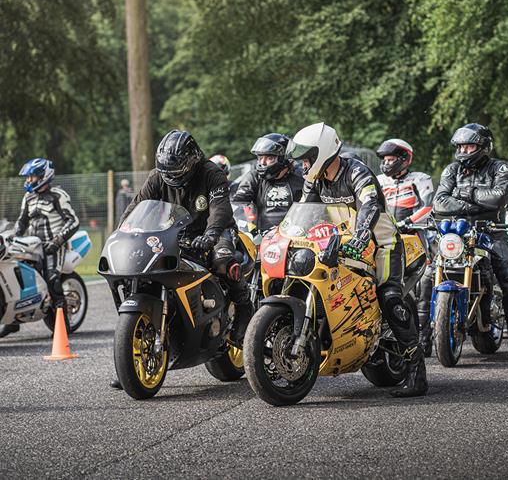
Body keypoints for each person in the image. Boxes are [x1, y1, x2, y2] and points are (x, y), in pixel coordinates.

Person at [288, 122, 427, 397]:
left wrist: (361, 235)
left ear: (322, 153)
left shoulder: (356, 171)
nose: (303, 165)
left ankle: (417, 374)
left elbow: (371, 204)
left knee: (389, 298)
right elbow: (304, 212)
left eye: (307, 159)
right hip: (342, 245)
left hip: (381, 244)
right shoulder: (314, 179)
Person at [111, 130, 252, 390]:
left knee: (223, 261)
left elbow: (220, 210)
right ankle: (128, 361)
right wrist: (122, 232)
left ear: (192, 160)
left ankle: (244, 309)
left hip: (216, 231)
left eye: (176, 170)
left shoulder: (211, 173)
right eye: (167, 170)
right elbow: (137, 205)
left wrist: (210, 235)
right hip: (174, 234)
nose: (171, 175)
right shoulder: (157, 177)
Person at [433, 123, 508, 360]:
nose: (465, 151)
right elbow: (439, 203)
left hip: (493, 232)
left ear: (484, 147)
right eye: (462, 146)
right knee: (428, 276)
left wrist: (463, 195)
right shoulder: (451, 170)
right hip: (458, 232)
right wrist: (478, 202)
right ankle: (426, 339)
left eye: (470, 146)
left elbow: (498, 198)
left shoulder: (500, 169)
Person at [375, 138, 436, 355]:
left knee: (425, 281)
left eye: (391, 159)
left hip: (414, 236)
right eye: (385, 159)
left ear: (404, 159)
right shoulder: (379, 181)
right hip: (385, 239)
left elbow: (429, 206)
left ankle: (424, 337)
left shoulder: (420, 179)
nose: (387, 163)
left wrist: (406, 223)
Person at [5, 159, 79, 337]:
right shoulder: (28, 197)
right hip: (31, 245)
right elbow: (22, 222)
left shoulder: (57, 195)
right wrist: (12, 236)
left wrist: (58, 240)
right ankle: (12, 320)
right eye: (28, 177)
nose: (29, 180)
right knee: (17, 278)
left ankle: (63, 324)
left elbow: (73, 221)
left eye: (32, 176)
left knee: (52, 280)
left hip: (54, 246)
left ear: (43, 176)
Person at [231, 134, 303, 234]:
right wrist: (250, 231)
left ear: (284, 158)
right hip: (261, 236)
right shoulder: (254, 177)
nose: (263, 163)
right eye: (260, 158)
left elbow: (313, 209)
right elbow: (239, 203)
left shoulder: (302, 177)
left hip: (295, 236)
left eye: (269, 158)